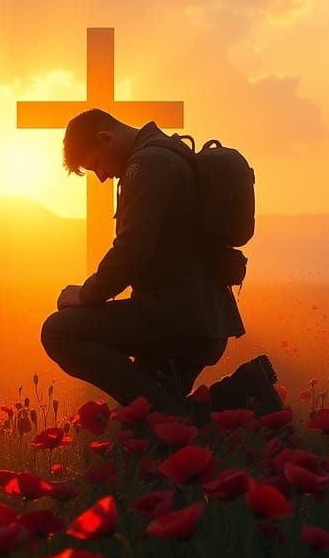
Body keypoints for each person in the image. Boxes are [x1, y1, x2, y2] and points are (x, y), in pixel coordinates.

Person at [40, 108, 282, 416]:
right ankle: (244, 391)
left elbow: (132, 249)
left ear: (105, 138)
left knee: (58, 330)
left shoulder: (147, 165)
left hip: (175, 319)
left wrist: (86, 294)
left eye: (96, 164)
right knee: (149, 434)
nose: (101, 177)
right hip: (200, 320)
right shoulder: (169, 152)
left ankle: (202, 411)